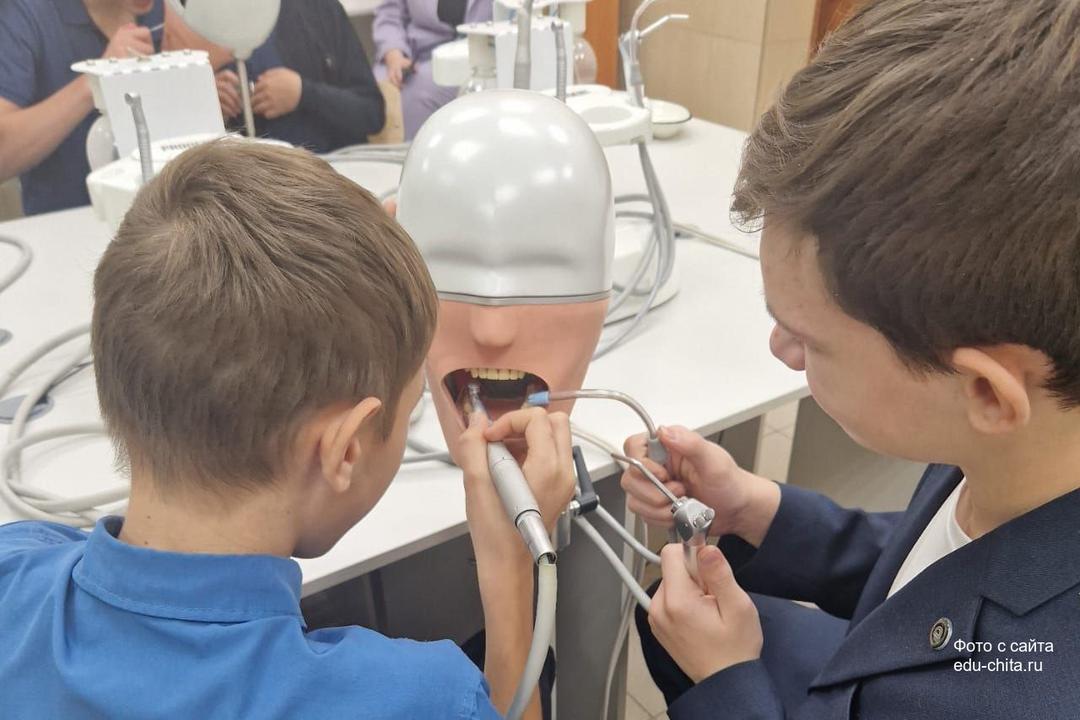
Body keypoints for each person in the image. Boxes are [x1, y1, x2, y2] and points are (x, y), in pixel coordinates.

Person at [0, 140, 575, 719]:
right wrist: (510, 568)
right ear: (344, 450)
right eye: (411, 405)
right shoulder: (424, 699)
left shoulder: (13, 566)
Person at [620, 0, 1080, 718]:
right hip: (896, 640)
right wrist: (756, 507)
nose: (781, 350)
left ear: (988, 392)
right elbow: (934, 561)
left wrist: (727, 684)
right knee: (661, 618)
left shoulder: (1011, 692)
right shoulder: (1024, 447)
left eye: (809, 338)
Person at [0, 0, 163, 215]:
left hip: (164, 218)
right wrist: (94, 80)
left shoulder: (167, 11)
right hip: (66, 222)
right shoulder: (26, 15)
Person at [165, 0, 385, 152]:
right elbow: (171, 137)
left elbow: (372, 113)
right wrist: (207, 107)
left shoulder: (318, 9)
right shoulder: (193, 21)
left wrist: (303, 93)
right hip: (247, 185)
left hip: (330, 173)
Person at [373, 0, 492, 140]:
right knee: (377, 89)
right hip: (413, 50)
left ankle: (414, 151)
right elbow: (389, 13)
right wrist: (393, 52)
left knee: (418, 94)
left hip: (478, 55)